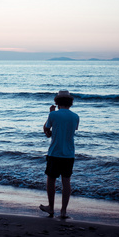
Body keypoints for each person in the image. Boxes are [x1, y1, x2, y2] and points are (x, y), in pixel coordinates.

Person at [40, 90, 80, 219]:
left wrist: (50, 114)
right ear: (70, 102)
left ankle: (51, 208)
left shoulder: (54, 115)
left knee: (51, 180)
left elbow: (46, 130)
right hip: (69, 154)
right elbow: (69, 131)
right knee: (66, 182)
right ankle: (63, 211)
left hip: (55, 152)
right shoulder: (75, 116)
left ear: (57, 102)